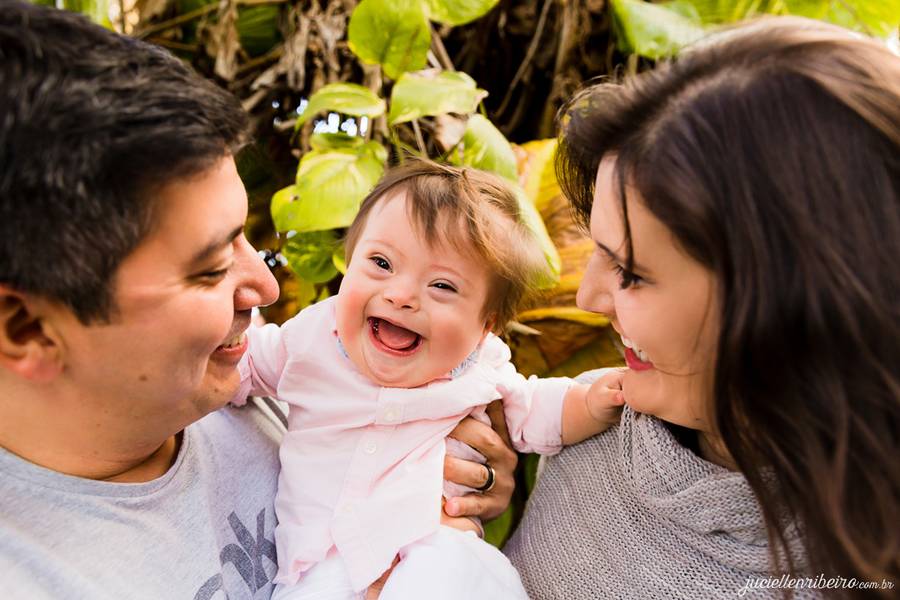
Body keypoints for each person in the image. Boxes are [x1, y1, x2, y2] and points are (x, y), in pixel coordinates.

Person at [0, 3, 517, 599]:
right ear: (28, 327)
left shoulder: (237, 373)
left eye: (245, 237)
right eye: (213, 266)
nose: (267, 289)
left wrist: (464, 477)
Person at [504, 16, 900, 600]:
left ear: (793, 304)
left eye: (632, 273)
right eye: (598, 252)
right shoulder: (593, 432)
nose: (587, 299)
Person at [235, 160, 626, 600]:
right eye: (381, 262)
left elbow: (536, 409)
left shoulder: (481, 371)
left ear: (486, 327)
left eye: (442, 286)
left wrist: (590, 404)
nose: (401, 295)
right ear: (348, 263)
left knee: (459, 574)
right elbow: (239, 363)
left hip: (432, 548)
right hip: (318, 564)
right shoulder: (308, 340)